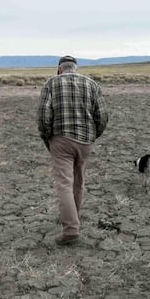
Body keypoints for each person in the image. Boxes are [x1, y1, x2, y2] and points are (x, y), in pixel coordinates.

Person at [37, 55, 108, 245]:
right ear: (75, 68)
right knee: (78, 182)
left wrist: (48, 138)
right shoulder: (91, 84)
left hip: (61, 139)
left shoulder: (51, 83)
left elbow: (44, 116)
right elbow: (102, 116)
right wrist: (92, 137)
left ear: (59, 69)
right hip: (85, 141)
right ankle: (74, 218)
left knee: (64, 184)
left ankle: (70, 230)